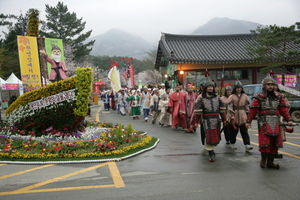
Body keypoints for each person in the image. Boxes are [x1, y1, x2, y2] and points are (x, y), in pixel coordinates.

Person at [245, 73, 293, 169]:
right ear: (264, 86)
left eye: (272, 85)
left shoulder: (279, 96)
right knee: (264, 142)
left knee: (274, 143)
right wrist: (248, 121)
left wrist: (289, 119)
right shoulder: (258, 97)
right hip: (263, 121)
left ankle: (270, 162)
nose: (270, 87)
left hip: (276, 121)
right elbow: (253, 110)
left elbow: (283, 109)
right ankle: (263, 159)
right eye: (268, 85)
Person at [195, 74, 226, 162]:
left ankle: (211, 150)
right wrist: (195, 122)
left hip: (216, 120)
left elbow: (222, 110)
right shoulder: (201, 99)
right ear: (205, 88)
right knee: (208, 137)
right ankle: (211, 153)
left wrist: (224, 119)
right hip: (206, 121)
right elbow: (198, 112)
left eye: (211, 87)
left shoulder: (218, 98)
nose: (210, 88)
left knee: (215, 137)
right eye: (208, 87)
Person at [227, 80, 253, 151]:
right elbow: (230, 106)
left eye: (240, 88)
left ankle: (247, 145)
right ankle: (232, 143)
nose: (239, 89)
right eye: (237, 88)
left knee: (244, 131)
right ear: (234, 88)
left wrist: (248, 113)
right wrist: (231, 115)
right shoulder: (231, 96)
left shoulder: (245, 96)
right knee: (233, 131)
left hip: (243, 115)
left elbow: (247, 105)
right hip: (234, 115)